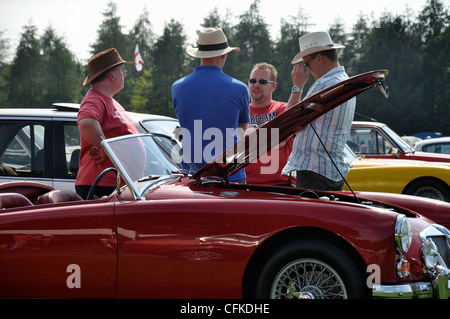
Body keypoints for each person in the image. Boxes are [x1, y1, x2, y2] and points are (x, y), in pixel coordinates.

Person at [172, 27, 250, 182]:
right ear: (224, 55)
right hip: (229, 173)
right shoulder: (240, 88)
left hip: (192, 173)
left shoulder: (177, 87)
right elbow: (241, 129)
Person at [282, 31, 356, 191]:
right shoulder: (345, 81)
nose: (305, 70)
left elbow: (289, 123)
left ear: (319, 58)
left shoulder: (324, 85)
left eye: (306, 64)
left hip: (315, 171)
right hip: (332, 170)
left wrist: (297, 86)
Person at [76, 48, 139, 199]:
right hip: (103, 183)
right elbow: (86, 123)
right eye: (122, 70)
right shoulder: (95, 98)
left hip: (112, 182)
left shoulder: (108, 100)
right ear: (111, 75)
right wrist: (107, 148)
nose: (124, 75)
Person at [245, 62, 300, 186]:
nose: (256, 85)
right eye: (253, 81)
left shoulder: (282, 108)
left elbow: (280, 139)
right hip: (245, 186)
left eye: (262, 82)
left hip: (280, 186)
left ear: (273, 86)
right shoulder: (240, 113)